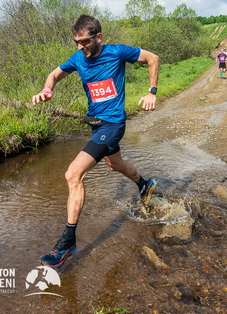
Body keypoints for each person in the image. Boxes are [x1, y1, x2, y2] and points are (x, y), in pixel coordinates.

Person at [32, 14, 159, 268]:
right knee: (115, 164)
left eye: (85, 41)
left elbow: (152, 58)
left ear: (98, 37)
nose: (81, 47)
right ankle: (145, 185)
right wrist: (47, 89)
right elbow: (54, 74)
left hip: (113, 124)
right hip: (96, 124)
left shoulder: (117, 52)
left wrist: (151, 92)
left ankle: (67, 242)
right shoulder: (77, 58)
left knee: (73, 174)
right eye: (77, 42)